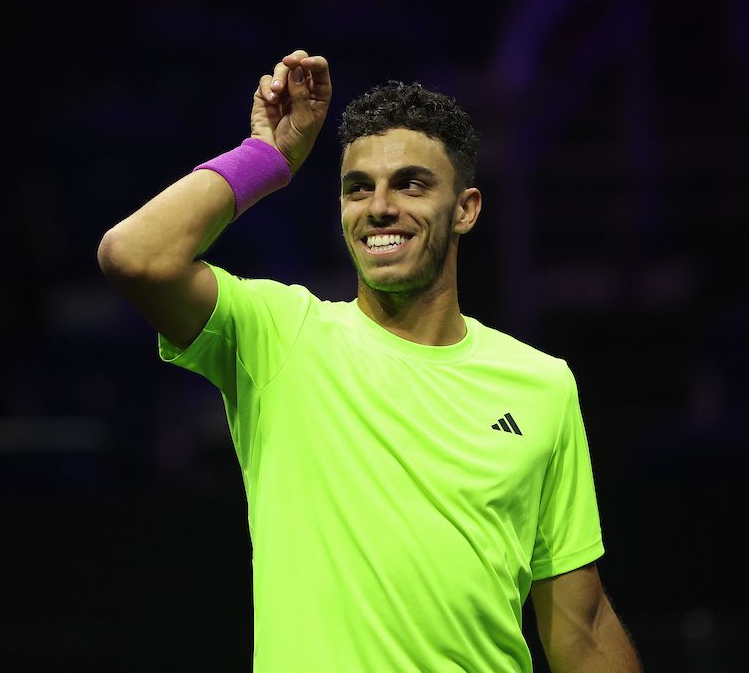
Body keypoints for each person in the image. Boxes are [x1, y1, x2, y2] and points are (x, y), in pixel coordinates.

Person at [98, 49, 641, 672]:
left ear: (465, 208)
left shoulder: (542, 383)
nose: (379, 206)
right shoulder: (279, 336)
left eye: (410, 183)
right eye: (359, 189)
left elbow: (584, 625)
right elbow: (135, 255)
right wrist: (266, 159)